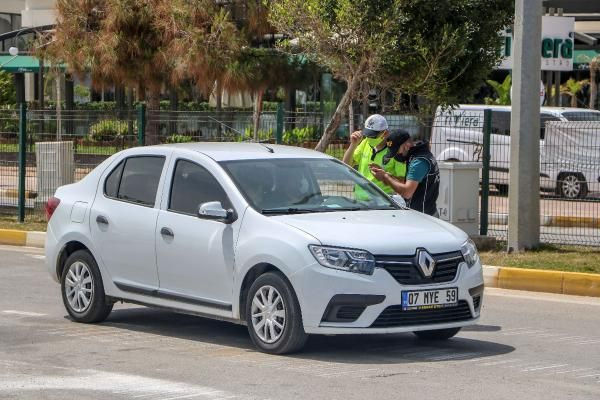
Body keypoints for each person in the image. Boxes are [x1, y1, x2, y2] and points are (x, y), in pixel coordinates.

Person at [370, 130, 440, 216]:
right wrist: (387, 175)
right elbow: (407, 182)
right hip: (425, 213)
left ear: (407, 146)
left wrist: (385, 177)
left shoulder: (418, 161)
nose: (396, 155)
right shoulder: (418, 155)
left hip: (423, 217)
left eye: (397, 151)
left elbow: (407, 192)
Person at [342, 115, 406, 199]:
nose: (369, 138)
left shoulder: (397, 151)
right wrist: (353, 145)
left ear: (385, 133)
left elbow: (402, 182)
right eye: (367, 134)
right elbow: (346, 165)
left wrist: (384, 176)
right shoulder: (365, 143)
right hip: (359, 199)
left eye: (373, 136)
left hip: (382, 202)